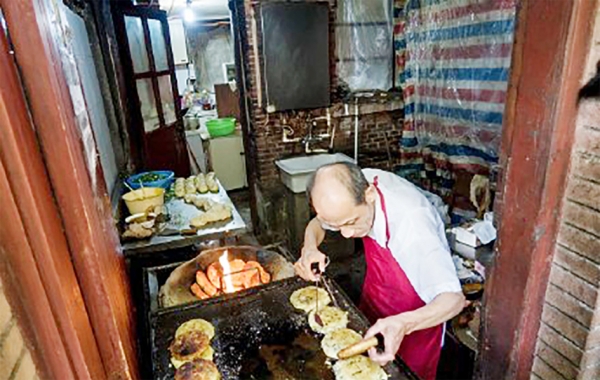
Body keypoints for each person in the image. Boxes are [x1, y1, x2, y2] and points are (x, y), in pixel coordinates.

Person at [294, 162, 465, 380]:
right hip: (375, 299)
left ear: (370, 195)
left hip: (416, 324)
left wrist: (403, 323)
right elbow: (318, 223)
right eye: (338, 226)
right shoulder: (351, 187)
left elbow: (453, 300)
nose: (346, 234)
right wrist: (309, 247)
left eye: (352, 222)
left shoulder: (413, 223)